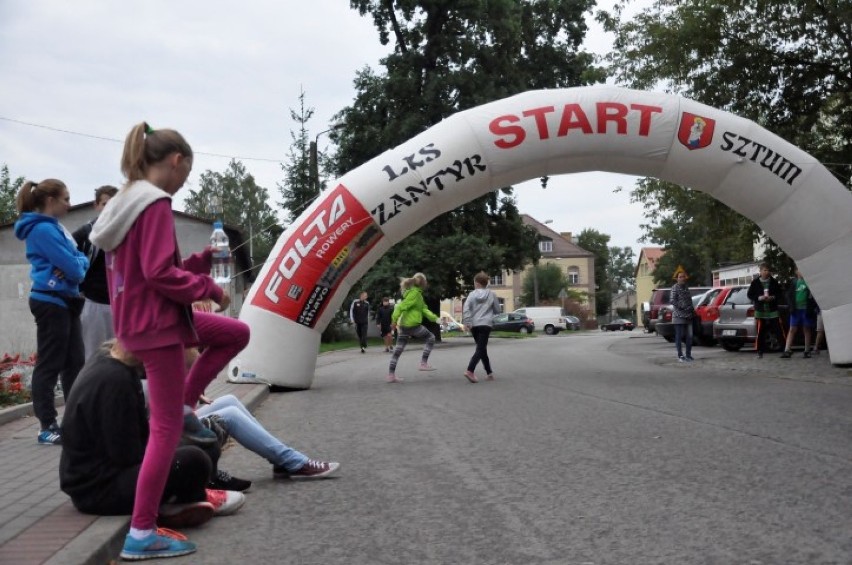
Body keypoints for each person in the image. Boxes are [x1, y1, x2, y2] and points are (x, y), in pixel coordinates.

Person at [89, 122, 251, 561]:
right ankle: (141, 531)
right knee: (165, 430)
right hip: (159, 325)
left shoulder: (124, 204)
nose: (184, 184)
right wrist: (208, 289)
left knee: (167, 422)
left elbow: (148, 268)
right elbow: (161, 274)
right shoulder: (155, 203)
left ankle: (147, 522)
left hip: (136, 325)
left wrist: (200, 263)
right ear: (176, 161)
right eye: (186, 173)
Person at [59, 342, 245, 535]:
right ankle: (180, 502)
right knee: (194, 460)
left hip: (99, 473)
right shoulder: (118, 381)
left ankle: (185, 499)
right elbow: (127, 455)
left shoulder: (111, 360)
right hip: (98, 489)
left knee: (201, 447)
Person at [14, 179, 89, 445]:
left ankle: (75, 422)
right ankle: (46, 427)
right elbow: (77, 269)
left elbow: (81, 260)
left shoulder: (57, 229)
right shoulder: (42, 230)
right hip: (51, 301)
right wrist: (76, 263)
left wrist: (77, 262)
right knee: (50, 365)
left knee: (75, 364)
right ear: (50, 201)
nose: (69, 204)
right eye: (66, 199)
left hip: (67, 300)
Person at [197, 394, 341, 480]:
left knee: (230, 400)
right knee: (231, 415)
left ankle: (280, 460)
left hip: (179, 416)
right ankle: (291, 461)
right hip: (177, 427)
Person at [72, 185, 119, 362]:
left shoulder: (127, 231)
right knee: (92, 355)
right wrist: (79, 287)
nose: (110, 208)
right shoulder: (86, 233)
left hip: (120, 304)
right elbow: (66, 256)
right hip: (93, 303)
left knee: (121, 355)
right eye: (105, 204)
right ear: (96, 205)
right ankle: (92, 389)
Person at [387, 273, 439, 383]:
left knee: (398, 351)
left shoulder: (415, 294)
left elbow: (424, 309)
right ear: (423, 283)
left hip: (405, 326)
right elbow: (401, 307)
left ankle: (391, 376)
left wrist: (435, 318)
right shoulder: (415, 294)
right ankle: (423, 363)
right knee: (431, 338)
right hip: (413, 325)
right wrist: (393, 320)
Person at [461, 272, 501, 383]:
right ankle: (470, 370)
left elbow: (466, 309)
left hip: (474, 325)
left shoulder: (472, 294)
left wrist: (467, 322)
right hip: (486, 324)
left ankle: (489, 373)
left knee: (481, 348)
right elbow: (498, 310)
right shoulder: (492, 294)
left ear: (477, 283)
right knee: (481, 348)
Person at [747, 263, 784, 359]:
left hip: (772, 310)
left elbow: (779, 293)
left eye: (768, 270)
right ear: (760, 271)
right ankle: (759, 351)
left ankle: (784, 349)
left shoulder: (773, 282)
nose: (766, 272)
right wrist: (759, 298)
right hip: (760, 310)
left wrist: (773, 297)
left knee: (778, 329)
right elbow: (750, 295)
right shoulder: (755, 282)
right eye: (764, 270)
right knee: (761, 331)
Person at [780, 266, 817, 358]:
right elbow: (788, 295)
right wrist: (791, 306)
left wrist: (812, 306)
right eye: (800, 269)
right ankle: (787, 349)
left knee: (806, 329)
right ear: (796, 271)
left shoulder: (809, 282)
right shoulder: (794, 282)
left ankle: (807, 350)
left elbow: (813, 296)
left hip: (806, 309)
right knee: (792, 329)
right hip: (796, 309)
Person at [670, 271, 695, 362]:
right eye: (680, 277)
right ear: (677, 278)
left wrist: (692, 310)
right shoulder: (674, 288)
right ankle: (680, 355)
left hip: (688, 315)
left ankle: (688, 355)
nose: (682, 278)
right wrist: (682, 306)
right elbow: (672, 300)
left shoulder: (686, 288)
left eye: (683, 276)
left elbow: (689, 300)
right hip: (678, 315)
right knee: (679, 336)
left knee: (690, 336)